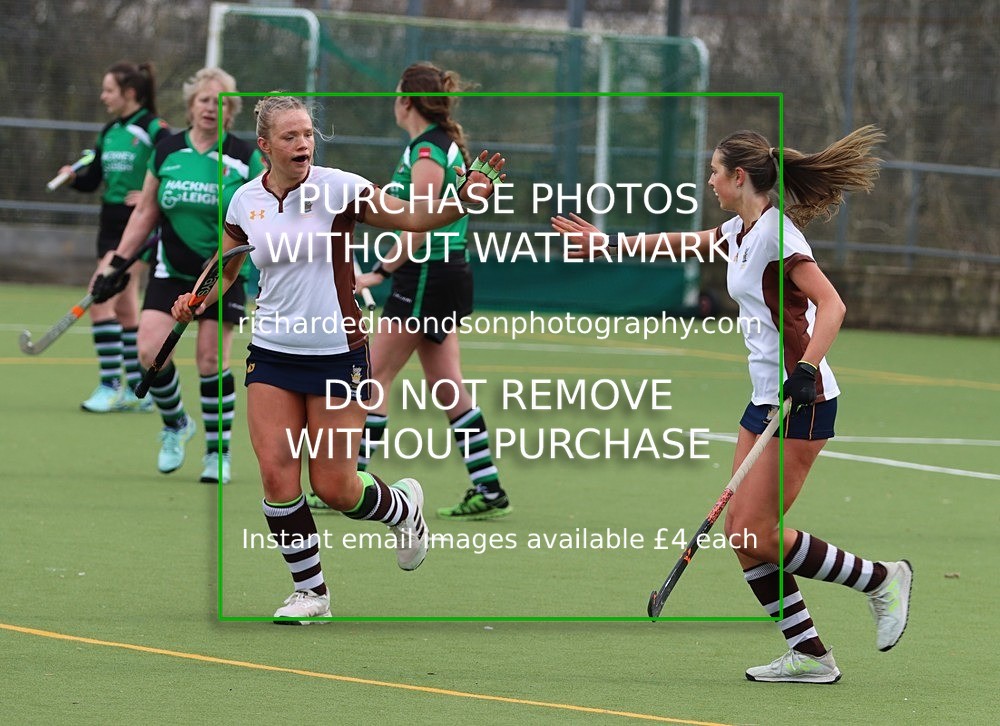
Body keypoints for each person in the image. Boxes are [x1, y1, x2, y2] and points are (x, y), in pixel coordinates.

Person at [552, 126, 912, 683]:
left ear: (739, 177)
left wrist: (808, 370)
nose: (710, 180)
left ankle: (880, 579)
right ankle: (810, 654)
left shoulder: (778, 237)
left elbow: (832, 306)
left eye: (715, 171)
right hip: (763, 400)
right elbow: (685, 242)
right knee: (741, 536)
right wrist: (610, 243)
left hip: (803, 401)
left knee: (758, 530)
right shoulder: (741, 230)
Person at [169, 95, 506, 621]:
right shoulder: (244, 202)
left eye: (307, 134)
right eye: (290, 137)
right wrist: (197, 298)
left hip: (337, 353)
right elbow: (227, 264)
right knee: (277, 474)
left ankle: (403, 507)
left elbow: (413, 217)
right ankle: (311, 593)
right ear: (265, 146)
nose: (303, 143)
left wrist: (463, 200)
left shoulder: (339, 188)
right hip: (273, 351)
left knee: (336, 486)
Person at [307, 62, 511, 521]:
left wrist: (379, 270)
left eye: (396, 93)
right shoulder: (433, 147)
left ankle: (349, 480)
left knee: (373, 374)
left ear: (407, 101)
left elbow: (419, 224)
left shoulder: (426, 153)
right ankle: (489, 487)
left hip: (425, 274)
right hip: (442, 273)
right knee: (448, 385)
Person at [93, 67, 266, 483]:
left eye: (221, 101)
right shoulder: (168, 151)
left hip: (223, 271)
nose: (212, 107)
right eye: (205, 99)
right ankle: (175, 424)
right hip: (171, 270)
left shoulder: (245, 158)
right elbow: (146, 211)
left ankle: (217, 453)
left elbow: (259, 214)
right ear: (191, 105)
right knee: (150, 349)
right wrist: (118, 261)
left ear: (232, 110)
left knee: (211, 358)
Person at [60, 61, 169, 413]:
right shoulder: (109, 131)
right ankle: (142, 387)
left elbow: (177, 165)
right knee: (123, 308)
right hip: (108, 225)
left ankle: (110, 385)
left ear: (130, 93)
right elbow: (93, 179)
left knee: (101, 296)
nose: (103, 96)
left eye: (109, 90)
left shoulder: (153, 129)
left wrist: (152, 194)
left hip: (134, 225)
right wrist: (74, 177)